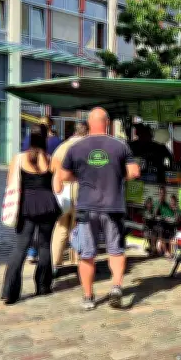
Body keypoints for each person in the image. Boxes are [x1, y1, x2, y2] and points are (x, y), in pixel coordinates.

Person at [58, 108, 140, 311]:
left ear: (88, 123)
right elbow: (134, 172)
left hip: (86, 206)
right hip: (113, 205)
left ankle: (88, 297)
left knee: (86, 253)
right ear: (108, 123)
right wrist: (117, 175)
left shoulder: (76, 147)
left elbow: (63, 175)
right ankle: (116, 287)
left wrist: (81, 177)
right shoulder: (120, 145)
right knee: (116, 251)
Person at [0, 125, 61, 304]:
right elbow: (58, 187)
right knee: (45, 245)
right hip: (48, 204)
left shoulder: (18, 158)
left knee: (20, 248)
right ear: (45, 140)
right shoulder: (52, 160)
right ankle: (43, 286)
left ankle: (10, 292)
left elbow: (10, 182)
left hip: (26, 205)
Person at [50, 122, 89, 278]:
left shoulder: (62, 146)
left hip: (63, 191)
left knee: (61, 226)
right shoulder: (88, 148)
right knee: (79, 226)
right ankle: (79, 261)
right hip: (82, 189)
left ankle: (55, 262)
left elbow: (53, 168)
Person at [23, 117, 61, 264]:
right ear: (51, 127)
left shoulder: (27, 141)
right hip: (47, 194)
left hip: (28, 195)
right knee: (45, 240)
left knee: (27, 233)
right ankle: (43, 274)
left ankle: (31, 252)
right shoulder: (56, 142)